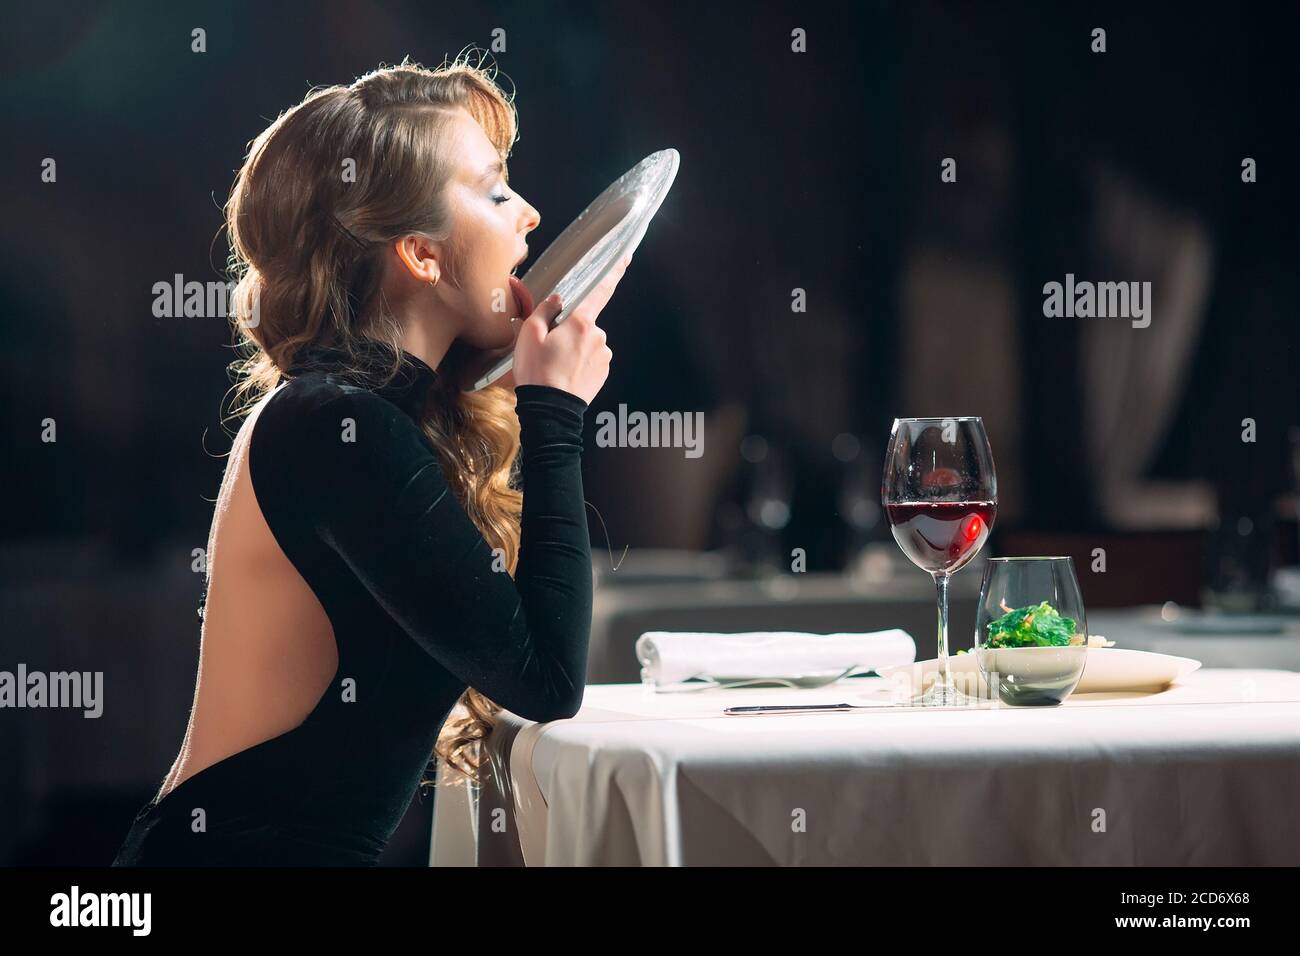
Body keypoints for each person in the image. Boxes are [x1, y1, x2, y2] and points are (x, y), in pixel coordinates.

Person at [112, 53, 624, 865]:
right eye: (494, 191)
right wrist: (554, 413)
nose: (529, 214)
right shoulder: (335, 426)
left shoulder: (358, 416)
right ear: (421, 255)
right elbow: (548, 679)